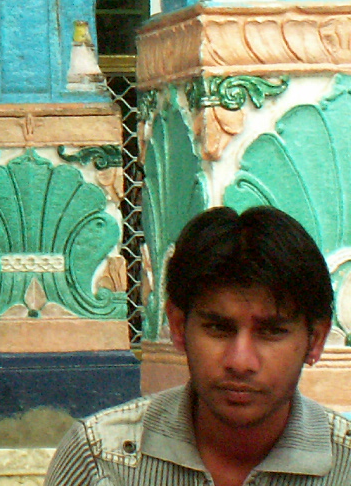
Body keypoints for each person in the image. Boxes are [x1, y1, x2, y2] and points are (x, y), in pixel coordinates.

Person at [46, 207, 345, 486]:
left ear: (315, 340)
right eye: (218, 328)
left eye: (271, 332)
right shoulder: (100, 460)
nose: (240, 362)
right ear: (178, 327)